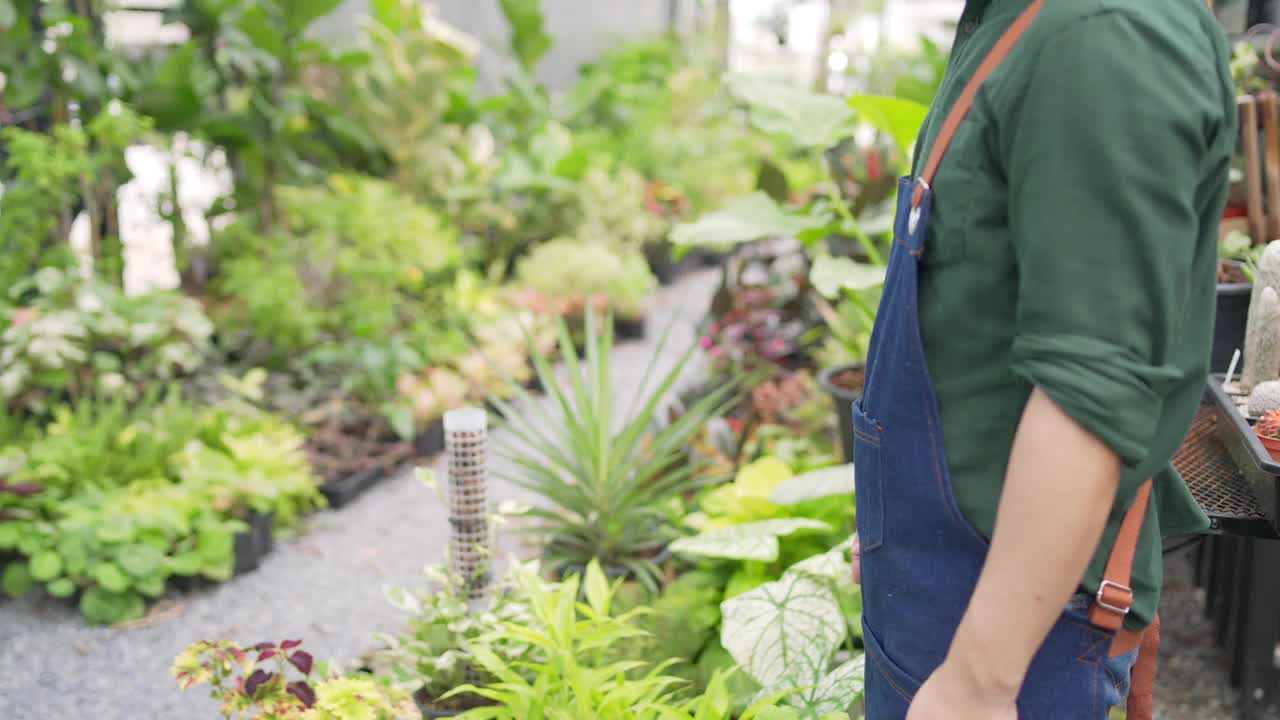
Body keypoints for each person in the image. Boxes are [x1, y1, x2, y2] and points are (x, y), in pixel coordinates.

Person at [847, 0, 1236, 718]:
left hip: (1011, 651)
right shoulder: (1020, 20)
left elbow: (1092, 391)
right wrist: (891, 526)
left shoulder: (1103, 35)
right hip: (941, 584)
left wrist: (978, 678)